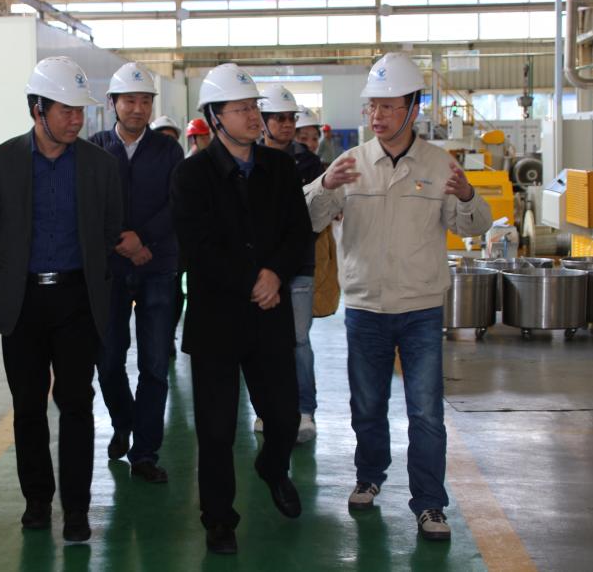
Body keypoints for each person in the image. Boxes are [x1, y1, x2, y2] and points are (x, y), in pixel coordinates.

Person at [303, 52, 492, 542]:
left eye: (388, 106)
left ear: (413, 108)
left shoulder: (440, 164)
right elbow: (307, 219)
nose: (378, 116)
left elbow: (474, 226)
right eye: (373, 107)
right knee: (367, 404)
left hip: (420, 309)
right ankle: (369, 476)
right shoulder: (350, 165)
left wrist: (468, 196)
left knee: (426, 412)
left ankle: (429, 504)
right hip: (365, 307)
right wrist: (324, 184)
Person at [0, 56, 122, 544]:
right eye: (66, 110)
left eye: (80, 110)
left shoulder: (99, 165)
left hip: (78, 300)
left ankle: (76, 509)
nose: (76, 120)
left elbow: (110, 226)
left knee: (77, 402)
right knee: (28, 404)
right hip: (22, 301)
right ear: (37, 109)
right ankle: (37, 501)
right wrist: (20, 260)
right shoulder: (3, 160)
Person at [171, 63, 311, 555]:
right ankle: (219, 519)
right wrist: (254, 281)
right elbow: (197, 247)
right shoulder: (191, 175)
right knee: (215, 429)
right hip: (217, 319)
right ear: (215, 117)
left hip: (269, 315)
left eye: (255, 107)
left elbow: (297, 233)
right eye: (242, 109)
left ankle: (272, 468)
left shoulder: (279, 168)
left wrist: (275, 274)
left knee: (285, 417)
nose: (254, 116)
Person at [89, 62, 184, 484]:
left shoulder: (169, 151)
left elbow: (176, 204)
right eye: (130, 100)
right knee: (108, 361)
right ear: (113, 103)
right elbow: (88, 205)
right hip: (109, 271)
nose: (138, 108)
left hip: (157, 267)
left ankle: (145, 452)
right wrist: (120, 241)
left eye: (145, 101)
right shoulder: (94, 148)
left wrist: (143, 240)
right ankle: (124, 422)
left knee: (154, 366)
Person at [252, 85, 325, 444]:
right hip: (260, 268)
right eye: (278, 118)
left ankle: (304, 410)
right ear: (263, 121)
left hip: (298, 266)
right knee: (262, 342)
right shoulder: (248, 161)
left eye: (290, 118)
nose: (286, 124)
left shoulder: (307, 163)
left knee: (297, 341)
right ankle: (267, 410)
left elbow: (312, 218)